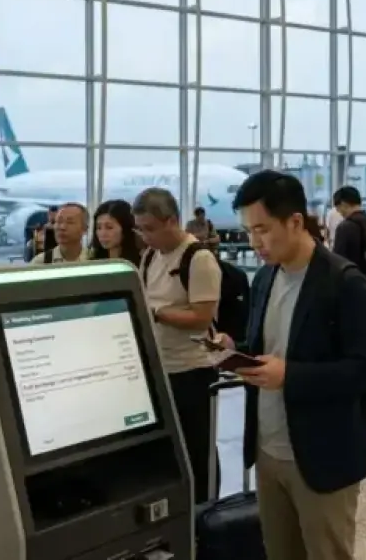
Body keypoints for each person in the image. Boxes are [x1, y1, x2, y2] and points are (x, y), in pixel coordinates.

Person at [231, 170, 366, 560]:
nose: (254, 242)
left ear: (295, 221)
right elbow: (267, 347)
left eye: (262, 230)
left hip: (321, 457)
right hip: (268, 451)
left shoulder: (344, 282)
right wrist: (233, 352)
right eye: (248, 231)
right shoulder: (265, 278)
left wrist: (290, 375)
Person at [132, 187, 226, 503]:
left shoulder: (198, 258)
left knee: (199, 451)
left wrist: (157, 313)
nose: (145, 237)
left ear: (171, 220)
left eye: (150, 229)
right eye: (140, 229)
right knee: (169, 453)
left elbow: (201, 317)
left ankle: (206, 510)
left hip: (192, 371)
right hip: (160, 369)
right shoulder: (150, 256)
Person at [90, 199, 142, 265]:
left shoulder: (141, 263)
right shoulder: (93, 263)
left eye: (109, 227)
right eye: (99, 227)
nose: (103, 233)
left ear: (125, 227)